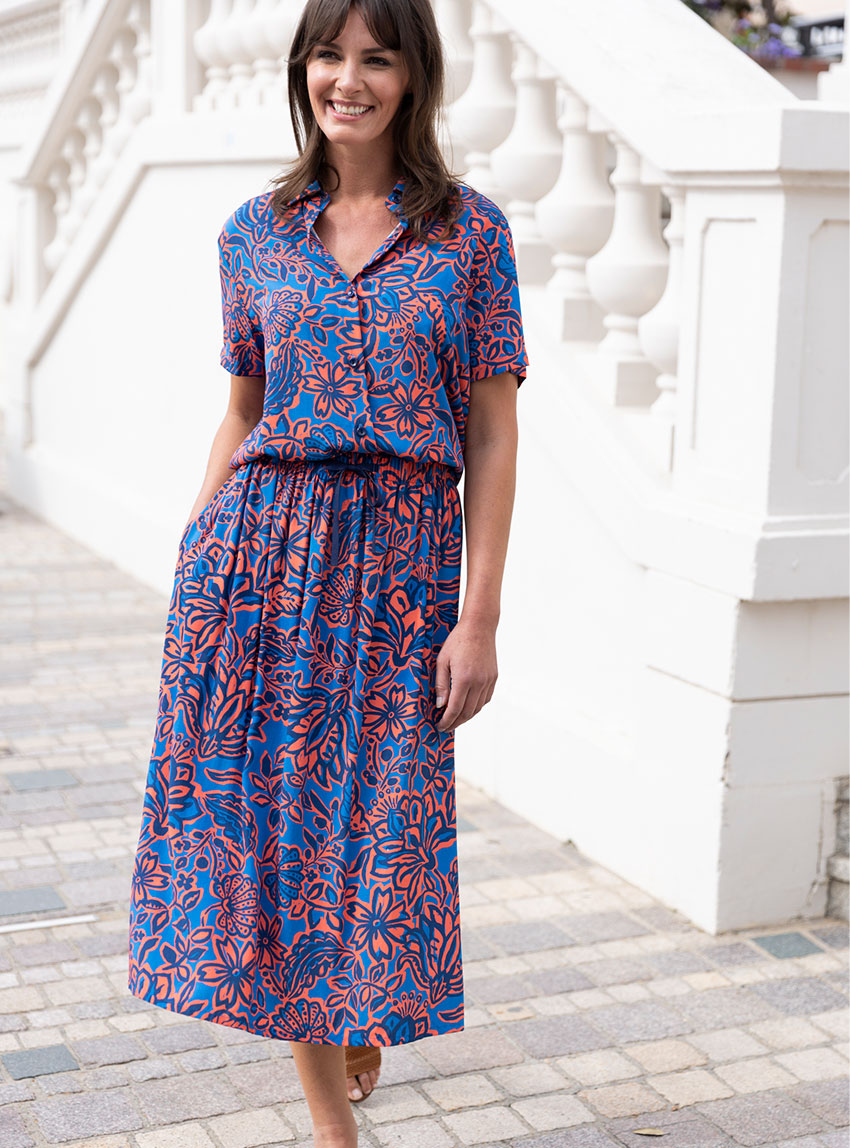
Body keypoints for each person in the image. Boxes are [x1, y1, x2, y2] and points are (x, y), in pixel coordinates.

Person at [127, 0, 528, 1144]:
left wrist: (479, 617)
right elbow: (244, 408)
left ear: (414, 79)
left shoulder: (469, 236)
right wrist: (195, 549)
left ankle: (355, 1014)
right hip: (260, 560)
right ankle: (329, 1125)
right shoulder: (254, 233)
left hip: (400, 573)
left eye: (376, 59)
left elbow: (492, 435)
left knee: (381, 825)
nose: (347, 79)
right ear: (302, 69)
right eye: (328, 55)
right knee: (288, 834)